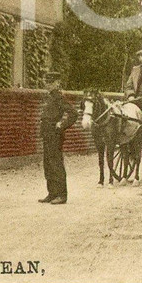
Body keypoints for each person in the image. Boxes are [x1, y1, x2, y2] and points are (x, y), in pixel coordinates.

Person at [38, 73, 79, 205]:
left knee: (56, 164)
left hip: (55, 134)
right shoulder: (49, 96)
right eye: (47, 82)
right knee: (48, 164)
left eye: (51, 82)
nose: (48, 84)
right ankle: (52, 193)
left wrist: (61, 125)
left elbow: (73, 113)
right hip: (47, 134)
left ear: (57, 83)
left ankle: (62, 195)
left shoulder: (59, 97)